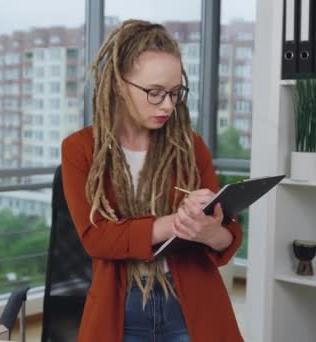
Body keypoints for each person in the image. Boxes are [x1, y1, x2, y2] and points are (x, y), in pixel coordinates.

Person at [61, 19, 244, 342]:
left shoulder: (191, 147)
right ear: (119, 83)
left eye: (175, 93)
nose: (168, 105)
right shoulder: (80, 150)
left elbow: (228, 237)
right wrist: (177, 223)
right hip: (122, 309)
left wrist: (211, 232)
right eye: (154, 93)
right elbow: (97, 238)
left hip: (192, 305)